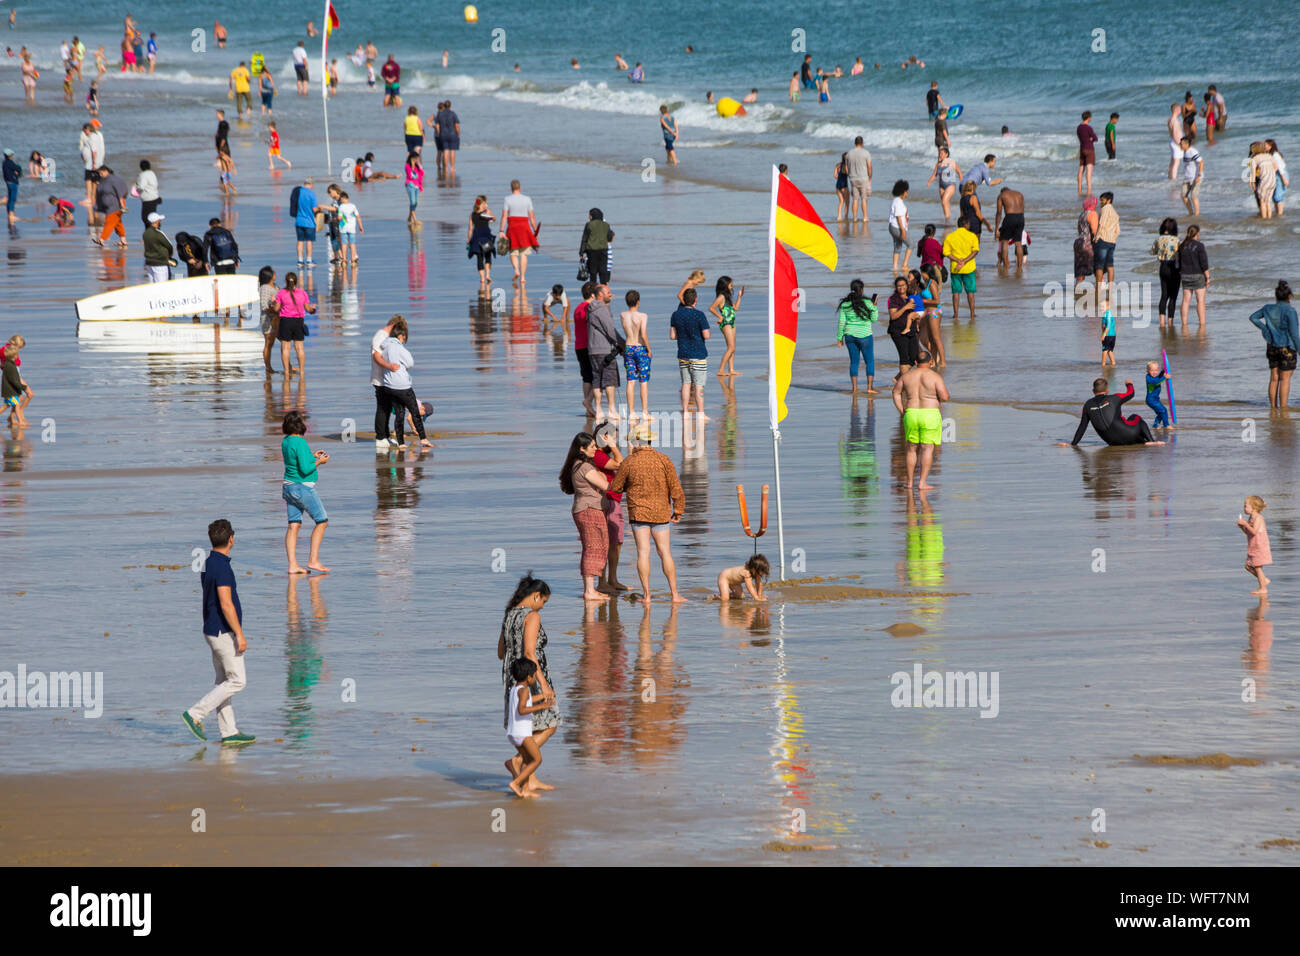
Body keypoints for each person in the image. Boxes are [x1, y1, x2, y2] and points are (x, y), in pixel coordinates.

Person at [181, 518, 255, 746]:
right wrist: (239, 635)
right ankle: (195, 714)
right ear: (231, 539)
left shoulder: (208, 562)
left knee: (223, 680)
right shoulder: (222, 567)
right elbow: (225, 603)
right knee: (238, 681)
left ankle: (229, 732)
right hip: (223, 632)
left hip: (211, 630)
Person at [498, 574, 559, 792]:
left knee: (528, 727)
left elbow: (500, 652)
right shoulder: (531, 616)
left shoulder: (509, 615)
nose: (542, 607)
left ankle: (530, 779)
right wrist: (543, 685)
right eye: (543, 601)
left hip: (511, 677)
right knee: (550, 723)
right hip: (530, 675)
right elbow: (529, 652)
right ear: (535, 596)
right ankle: (518, 761)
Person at [611, 430, 686, 605]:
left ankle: (647, 595)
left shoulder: (629, 462)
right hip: (661, 512)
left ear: (636, 442)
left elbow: (616, 487)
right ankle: (675, 594)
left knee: (643, 553)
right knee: (665, 552)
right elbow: (676, 488)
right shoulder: (664, 460)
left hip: (638, 513)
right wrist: (678, 510)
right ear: (650, 441)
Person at [560, 432, 612, 601]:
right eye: (592, 447)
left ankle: (591, 589)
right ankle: (589, 591)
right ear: (582, 449)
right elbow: (605, 485)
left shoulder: (577, 465)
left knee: (594, 546)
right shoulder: (584, 467)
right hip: (589, 509)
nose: (595, 449)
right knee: (593, 547)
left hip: (584, 509)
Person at [280, 410, 330, 574]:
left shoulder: (286, 441)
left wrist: (312, 455)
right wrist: (319, 462)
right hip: (302, 488)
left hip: (288, 487)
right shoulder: (300, 442)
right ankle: (313, 560)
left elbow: (295, 461)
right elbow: (305, 469)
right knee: (322, 521)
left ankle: (292, 565)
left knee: (294, 525)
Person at [892, 349, 948, 490]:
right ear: (930, 362)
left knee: (911, 449)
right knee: (927, 449)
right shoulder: (935, 376)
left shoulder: (906, 376)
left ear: (916, 363)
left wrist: (901, 410)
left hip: (911, 413)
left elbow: (895, 392)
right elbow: (945, 397)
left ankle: (910, 482)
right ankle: (922, 483)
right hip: (930, 414)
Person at [504, 658, 554, 798]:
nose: (534, 679)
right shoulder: (525, 690)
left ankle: (525, 789)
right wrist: (542, 706)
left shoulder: (516, 689)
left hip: (513, 733)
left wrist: (543, 696)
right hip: (522, 734)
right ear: (529, 677)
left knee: (526, 760)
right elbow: (522, 709)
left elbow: (527, 701)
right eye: (534, 675)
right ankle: (516, 782)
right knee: (537, 759)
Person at [1247, 280, 1300, 408]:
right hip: (1287, 347)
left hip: (1272, 347)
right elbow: (1294, 334)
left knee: (1274, 378)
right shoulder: (1290, 311)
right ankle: (1283, 409)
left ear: (1276, 296)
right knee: (1285, 379)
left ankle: (1273, 408)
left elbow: (1253, 317)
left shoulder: (1268, 308)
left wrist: (1265, 329)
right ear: (1289, 296)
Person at [1064, 378, 1161, 446]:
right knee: (1135, 417)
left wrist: (1073, 444)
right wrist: (1129, 384)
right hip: (1129, 434)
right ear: (1107, 390)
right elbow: (1131, 393)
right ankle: (1151, 441)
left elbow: (1082, 427)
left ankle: (1142, 441)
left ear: (1093, 391)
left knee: (1125, 426)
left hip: (1112, 442)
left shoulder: (1087, 405)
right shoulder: (1114, 398)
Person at [380, 325, 430, 450]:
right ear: (401, 336)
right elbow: (410, 362)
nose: (404, 341)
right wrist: (403, 366)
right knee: (415, 413)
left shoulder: (384, 347)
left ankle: (401, 443)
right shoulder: (398, 347)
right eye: (404, 338)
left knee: (399, 414)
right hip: (403, 385)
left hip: (389, 386)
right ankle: (423, 439)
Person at [671, 288, 711, 419]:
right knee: (699, 385)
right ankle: (700, 413)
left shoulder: (676, 314)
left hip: (683, 353)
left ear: (683, 300)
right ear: (696, 300)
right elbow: (707, 335)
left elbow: (672, 336)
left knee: (686, 383)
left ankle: (686, 411)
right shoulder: (700, 315)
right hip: (698, 353)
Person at [585, 284, 623, 420]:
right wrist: (621, 344)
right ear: (600, 295)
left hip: (592, 349)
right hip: (604, 349)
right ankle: (612, 409)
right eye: (608, 292)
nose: (610, 294)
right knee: (609, 380)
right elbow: (610, 329)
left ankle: (599, 409)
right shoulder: (601, 309)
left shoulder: (591, 309)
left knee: (596, 380)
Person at [837, 278, 878, 394]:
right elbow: (874, 319)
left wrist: (839, 338)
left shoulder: (845, 304)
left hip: (849, 336)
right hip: (865, 336)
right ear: (862, 290)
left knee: (854, 362)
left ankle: (854, 389)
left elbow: (841, 322)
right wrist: (874, 307)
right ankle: (870, 387)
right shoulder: (868, 303)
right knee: (869, 361)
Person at [369, 314, 404, 448]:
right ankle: (380, 437)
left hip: (388, 379)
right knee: (382, 407)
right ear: (395, 326)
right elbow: (376, 356)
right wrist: (389, 366)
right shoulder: (380, 336)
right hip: (380, 378)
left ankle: (386, 435)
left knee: (388, 408)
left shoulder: (387, 337)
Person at [275, 271, 314, 375]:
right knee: (299, 348)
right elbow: (308, 309)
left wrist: (272, 304)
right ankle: (302, 371)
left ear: (285, 281)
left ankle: (287, 372)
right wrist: (313, 309)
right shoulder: (302, 293)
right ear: (296, 281)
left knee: (285, 348)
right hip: (298, 321)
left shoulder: (281, 293)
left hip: (285, 321)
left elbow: (276, 308)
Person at [620, 289, 651, 419]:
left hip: (628, 348)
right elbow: (643, 334)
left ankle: (632, 412)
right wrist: (649, 349)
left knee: (630, 380)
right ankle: (644, 412)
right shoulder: (642, 316)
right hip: (640, 348)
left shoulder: (623, 315)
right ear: (638, 302)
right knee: (643, 381)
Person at [942, 216, 979, 319]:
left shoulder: (950, 237)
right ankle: (972, 313)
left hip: (955, 268)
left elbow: (945, 252)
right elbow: (975, 251)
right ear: (966, 224)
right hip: (969, 268)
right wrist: (965, 261)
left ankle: (956, 314)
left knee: (956, 292)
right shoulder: (972, 236)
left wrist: (958, 260)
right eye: (969, 224)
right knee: (970, 292)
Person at [503, 180, 538, 285]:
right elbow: (531, 217)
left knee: (513, 252)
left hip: (512, 226)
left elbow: (504, 216)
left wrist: (501, 230)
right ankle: (522, 277)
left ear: (511, 188)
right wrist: (535, 229)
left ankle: (516, 271)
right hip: (524, 226)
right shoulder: (527, 199)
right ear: (520, 188)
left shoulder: (507, 199)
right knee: (524, 253)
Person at [709, 275, 744, 377]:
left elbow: (736, 308)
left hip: (732, 323)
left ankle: (731, 369)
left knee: (733, 348)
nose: (732, 286)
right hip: (726, 324)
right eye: (730, 284)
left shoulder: (727, 297)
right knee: (731, 347)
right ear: (725, 285)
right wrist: (720, 317)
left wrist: (739, 296)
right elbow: (711, 308)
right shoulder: (721, 297)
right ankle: (720, 370)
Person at [1237, 497, 1271, 597]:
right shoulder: (1251, 518)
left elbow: (1254, 531)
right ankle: (1264, 580)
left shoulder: (1258, 518)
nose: (1244, 508)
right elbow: (1248, 533)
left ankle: (1263, 588)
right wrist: (1242, 527)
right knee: (1248, 566)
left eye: (1246, 506)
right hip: (1253, 546)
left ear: (1254, 508)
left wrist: (1245, 524)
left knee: (1257, 567)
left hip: (1259, 546)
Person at [1176, 223, 1209, 326]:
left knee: (1186, 301)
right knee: (1200, 301)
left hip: (1185, 275)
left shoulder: (1182, 246)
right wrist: (1208, 277)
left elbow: (1178, 262)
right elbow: (1204, 263)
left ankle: (1184, 323)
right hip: (1198, 275)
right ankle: (1202, 323)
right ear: (1197, 234)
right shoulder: (1199, 246)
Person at [1093, 192, 1120, 311]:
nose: (1101, 202)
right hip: (1112, 241)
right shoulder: (1115, 212)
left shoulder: (1105, 209)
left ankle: (1098, 290)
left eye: (1102, 200)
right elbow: (1118, 229)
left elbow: (1101, 223)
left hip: (1103, 239)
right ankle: (1110, 289)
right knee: (1110, 265)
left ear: (1109, 200)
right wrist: (1113, 237)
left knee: (1099, 265)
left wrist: (1096, 237)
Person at [886, 276, 919, 372]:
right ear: (895, 287)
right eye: (899, 286)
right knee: (904, 358)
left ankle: (899, 379)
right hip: (898, 331)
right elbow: (893, 316)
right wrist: (905, 307)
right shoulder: (892, 299)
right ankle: (904, 384)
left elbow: (917, 311)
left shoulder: (911, 297)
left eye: (903, 285)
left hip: (911, 330)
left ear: (907, 285)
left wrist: (917, 322)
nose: (901, 288)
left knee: (914, 357)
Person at [1151, 218, 1180, 328]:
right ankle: (1170, 321)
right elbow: (1179, 255)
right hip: (1174, 268)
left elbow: (1152, 252)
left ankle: (1161, 322)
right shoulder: (1176, 240)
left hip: (1163, 267)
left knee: (1164, 295)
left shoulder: (1159, 239)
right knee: (1173, 296)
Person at [92, 164, 129, 248]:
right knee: (117, 223)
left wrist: (122, 205)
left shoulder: (113, 180)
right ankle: (123, 240)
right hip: (109, 206)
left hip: (117, 205)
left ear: (106, 171)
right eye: (99, 173)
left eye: (101, 173)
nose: (100, 175)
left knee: (109, 222)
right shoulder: (103, 180)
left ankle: (102, 239)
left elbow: (120, 191)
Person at [573, 282, 596, 415]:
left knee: (586, 377)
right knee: (597, 376)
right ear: (593, 294)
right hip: (589, 345)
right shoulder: (590, 307)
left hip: (579, 345)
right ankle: (588, 401)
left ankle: (588, 409)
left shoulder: (578, 308)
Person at [991, 186, 1026, 270]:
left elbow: (999, 213)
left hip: (1010, 217)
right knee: (1018, 243)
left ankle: (1006, 265)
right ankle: (1019, 267)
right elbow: (1022, 209)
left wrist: (996, 228)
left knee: (1004, 242)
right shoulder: (1019, 194)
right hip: (1021, 218)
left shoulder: (1002, 195)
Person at [2, 334, 32, 426]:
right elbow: (6, 365)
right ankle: (19, 417)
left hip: (16, 374)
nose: (19, 350)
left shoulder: (11, 349)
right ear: (15, 343)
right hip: (15, 376)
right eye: (19, 348)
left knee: (19, 399)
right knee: (25, 396)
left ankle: (12, 417)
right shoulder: (6, 350)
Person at [579, 207, 614, 285]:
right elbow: (609, 237)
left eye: (590, 215)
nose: (589, 217)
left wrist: (581, 253)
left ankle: (593, 288)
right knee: (603, 271)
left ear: (592, 216)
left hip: (592, 251)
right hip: (603, 250)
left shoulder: (589, 224)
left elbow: (584, 239)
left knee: (593, 272)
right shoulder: (606, 225)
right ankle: (603, 288)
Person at [291, 177, 321, 266]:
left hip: (298, 221)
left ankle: (300, 260)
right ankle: (309, 260)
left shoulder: (298, 192)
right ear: (311, 184)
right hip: (309, 222)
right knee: (309, 241)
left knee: (300, 241)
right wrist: (320, 208)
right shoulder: (311, 194)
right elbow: (314, 209)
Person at [467, 195, 495, 287]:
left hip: (476, 238)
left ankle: (482, 278)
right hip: (486, 237)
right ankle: (488, 275)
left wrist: (468, 239)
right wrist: (488, 210)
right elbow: (494, 219)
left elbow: (470, 229)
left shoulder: (472, 215)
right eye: (485, 203)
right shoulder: (486, 213)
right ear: (482, 203)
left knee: (479, 258)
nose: (486, 204)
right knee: (487, 256)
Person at [845, 136, 873, 223]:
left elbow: (846, 168)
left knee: (855, 199)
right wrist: (870, 177)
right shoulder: (866, 153)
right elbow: (869, 167)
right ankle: (865, 217)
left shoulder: (849, 154)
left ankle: (854, 218)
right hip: (863, 178)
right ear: (862, 143)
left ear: (855, 143)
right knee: (864, 198)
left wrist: (850, 175)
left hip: (853, 178)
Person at [258, 266, 279, 373]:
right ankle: (268, 367)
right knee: (269, 343)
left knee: (284, 343)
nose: (275, 273)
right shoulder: (265, 288)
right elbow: (264, 305)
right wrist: (273, 310)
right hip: (268, 319)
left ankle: (288, 365)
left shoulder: (275, 286)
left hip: (278, 318)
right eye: (272, 272)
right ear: (269, 276)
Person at [142, 212, 174, 283]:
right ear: (156, 222)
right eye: (160, 220)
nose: (160, 222)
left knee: (152, 284)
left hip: (149, 262)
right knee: (161, 285)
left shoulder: (145, 233)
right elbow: (169, 245)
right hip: (160, 263)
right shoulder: (158, 233)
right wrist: (170, 255)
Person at [1074, 196, 1098, 290]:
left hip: (1079, 242)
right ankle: (1100, 288)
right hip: (1088, 243)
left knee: (1080, 268)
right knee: (1097, 266)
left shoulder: (1082, 214)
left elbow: (1079, 229)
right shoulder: (1092, 214)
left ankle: (1078, 287)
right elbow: (1094, 230)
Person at [79, 122, 104, 208]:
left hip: (91, 165)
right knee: (94, 181)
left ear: (88, 129)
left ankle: (89, 198)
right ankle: (93, 198)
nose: (84, 132)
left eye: (84, 130)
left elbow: (94, 151)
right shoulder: (96, 136)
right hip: (96, 163)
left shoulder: (92, 138)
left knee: (88, 181)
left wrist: (94, 163)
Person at [1249, 142, 1277, 219]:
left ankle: (1264, 220)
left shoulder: (1255, 158)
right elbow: (1275, 168)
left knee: (1262, 202)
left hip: (1264, 181)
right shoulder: (1269, 156)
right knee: (1268, 202)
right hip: (1272, 180)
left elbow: (1253, 172)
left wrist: (1252, 183)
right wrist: (1269, 173)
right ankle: (1269, 218)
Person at [888, 181, 911, 272]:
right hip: (897, 227)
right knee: (911, 244)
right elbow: (898, 217)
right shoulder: (898, 202)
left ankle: (895, 266)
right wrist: (903, 230)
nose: (907, 194)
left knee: (898, 245)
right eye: (906, 192)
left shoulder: (896, 201)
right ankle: (904, 265)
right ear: (903, 191)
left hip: (893, 227)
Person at [1178, 136, 1203, 216]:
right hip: (1187, 178)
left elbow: (1201, 162)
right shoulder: (1185, 152)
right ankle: (1190, 212)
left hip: (1195, 177)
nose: (1179, 145)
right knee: (1183, 195)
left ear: (1186, 144)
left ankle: (1196, 214)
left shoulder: (1192, 151)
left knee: (1193, 196)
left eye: (1181, 144)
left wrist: (1199, 175)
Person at [335, 191, 362, 264]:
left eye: (340, 199)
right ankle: (353, 258)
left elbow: (340, 217)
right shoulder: (353, 206)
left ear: (343, 199)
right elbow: (358, 216)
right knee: (352, 243)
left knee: (344, 243)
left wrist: (336, 219)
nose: (340, 201)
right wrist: (360, 226)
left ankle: (344, 259)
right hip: (352, 228)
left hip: (343, 227)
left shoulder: (341, 207)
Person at [435, 100, 460, 175]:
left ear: (444, 106)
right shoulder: (453, 114)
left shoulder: (440, 114)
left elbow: (437, 126)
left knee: (445, 151)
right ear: (450, 106)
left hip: (443, 134)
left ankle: (446, 168)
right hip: (452, 134)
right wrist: (458, 134)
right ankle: (452, 167)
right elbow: (457, 126)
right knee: (452, 151)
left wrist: (439, 134)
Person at [1144, 361, 1171, 429]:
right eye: (1152, 370)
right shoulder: (1148, 378)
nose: (1154, 372)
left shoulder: (1156, 376)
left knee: (1160, 413)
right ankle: (1166, 425)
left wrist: (1163, 370)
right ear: (1147, 371)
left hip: (1155, 399)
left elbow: (1159, 377)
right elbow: (1156, 382)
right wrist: (1165, 378)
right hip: (1151, 400)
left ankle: (1155, 425)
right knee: (1163, 410)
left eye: (1156, 370)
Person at [1076, 111, 1098, 195]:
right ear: (1088, 118)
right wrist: (1091, 139)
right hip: (1089, 149)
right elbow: (1095, 138)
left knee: (1081, 168)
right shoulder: (1088, 128)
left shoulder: (1079, 127)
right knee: (1089, 170)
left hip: (1082, 148)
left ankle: (1079, 189)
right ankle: (1089, 189)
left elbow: (1079, 137)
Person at [134, 159, 159, 226]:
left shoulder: (143, 175)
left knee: (146, 218)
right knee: (153, 216)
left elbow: (141, 187)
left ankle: (150, 232)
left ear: (141, 167)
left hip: (148, 199)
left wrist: (136, 188)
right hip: (155, 197)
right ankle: (155, 230)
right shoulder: (152, 173)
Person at [1267, 140, 1288, 214]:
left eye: (1266, 145)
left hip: (1281, 175)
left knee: (1278, 197)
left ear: (1270, 146)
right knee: (1274, 197)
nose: (1264, 147)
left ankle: (1280, 214)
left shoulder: (1275, 155)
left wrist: (1284, 179)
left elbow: (1280, 168)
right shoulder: (1270, 154)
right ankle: (1277, 213)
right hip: (1276, 175)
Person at [404, 152, 424, 225]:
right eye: (417, 158)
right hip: (410, 185)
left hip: (417, 186)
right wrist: (416, 175)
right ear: (413, 158)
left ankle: (409, 217)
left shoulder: (417, 166)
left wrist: (420, 168)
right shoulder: (407, 166)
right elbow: (410, 176)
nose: (418, 159)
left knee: (415, 203)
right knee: (412, 202)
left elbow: (422, 174)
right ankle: (415, 220)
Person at [1, 148, 19, 226]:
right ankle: (11, 215)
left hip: (8, 182)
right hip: (12, 182)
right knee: (12, 198)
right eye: (12, 155)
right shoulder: (10, 162)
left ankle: (9, 214)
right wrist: (16, 173)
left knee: (10, 197)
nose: (12, 156)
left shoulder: (4, 162)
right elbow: (17, 168)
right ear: (10, 155)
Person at [1166, 103, 1183, 179]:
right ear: (1176, 110)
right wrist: (1180, 144)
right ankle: (1173, 179)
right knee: (1176, 162)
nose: (1180, 110)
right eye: (1179, 109)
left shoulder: (1170, 120)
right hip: (1176, 143)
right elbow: (1174, 134)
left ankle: (1170, 177)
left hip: (1172, 142)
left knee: (1172, 162)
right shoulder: (1175, 121)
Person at [833, 152, 850, 221]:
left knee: (841, 201)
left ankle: (839, 216)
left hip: (838, 185)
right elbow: (848, 173)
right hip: (844, 185)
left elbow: (835, 176)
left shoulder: (838, 165)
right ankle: (846, 216)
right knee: (847, 202)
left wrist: (839, 176)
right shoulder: (845, 165)